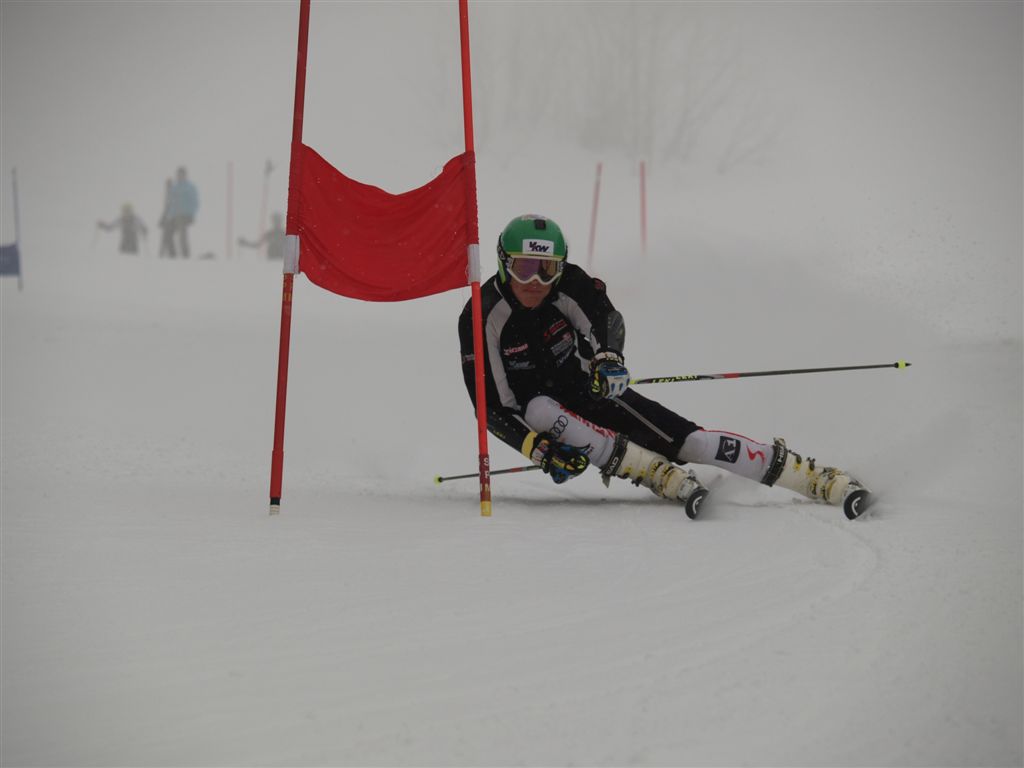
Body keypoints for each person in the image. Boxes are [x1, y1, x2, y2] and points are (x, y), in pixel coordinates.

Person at [457, 214, 872, 520]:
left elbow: (604, 318)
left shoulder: (568, 285)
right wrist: (537, 449)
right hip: (540, 418)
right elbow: (490, 406)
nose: (535, 282)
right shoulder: (482, 315)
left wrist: (608, 359)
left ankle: (811, 477)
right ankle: (652, 472)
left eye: (546, 269)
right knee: (539, 408)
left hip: (589, 391)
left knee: (693, 443)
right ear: (503, 263)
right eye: (524, 268)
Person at [165, 166, 199, 258]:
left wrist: (191, 214)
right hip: (174, 215)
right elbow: (171, 201)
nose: (180, 176)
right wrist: (169, 215)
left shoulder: (189, 187)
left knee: (182, 235)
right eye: (178, 174)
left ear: (185, 175)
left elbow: (195, 201)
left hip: (185, 215)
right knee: (168, 234)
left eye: (182, 174)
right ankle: (173, 255)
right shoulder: (175, 187)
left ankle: (185, 255)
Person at [157, 177, 176, 257]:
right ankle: (168, 254)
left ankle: (164, 254)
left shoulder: (173, 194)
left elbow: (171, 207)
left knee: (167, 236)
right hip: (167, 218)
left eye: (169, 185)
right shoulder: (168, 194)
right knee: (167, 237)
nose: (168, 187)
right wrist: (162, 219)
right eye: (167, 185)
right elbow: (166, 208)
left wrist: (167, 218)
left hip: (172, 219)